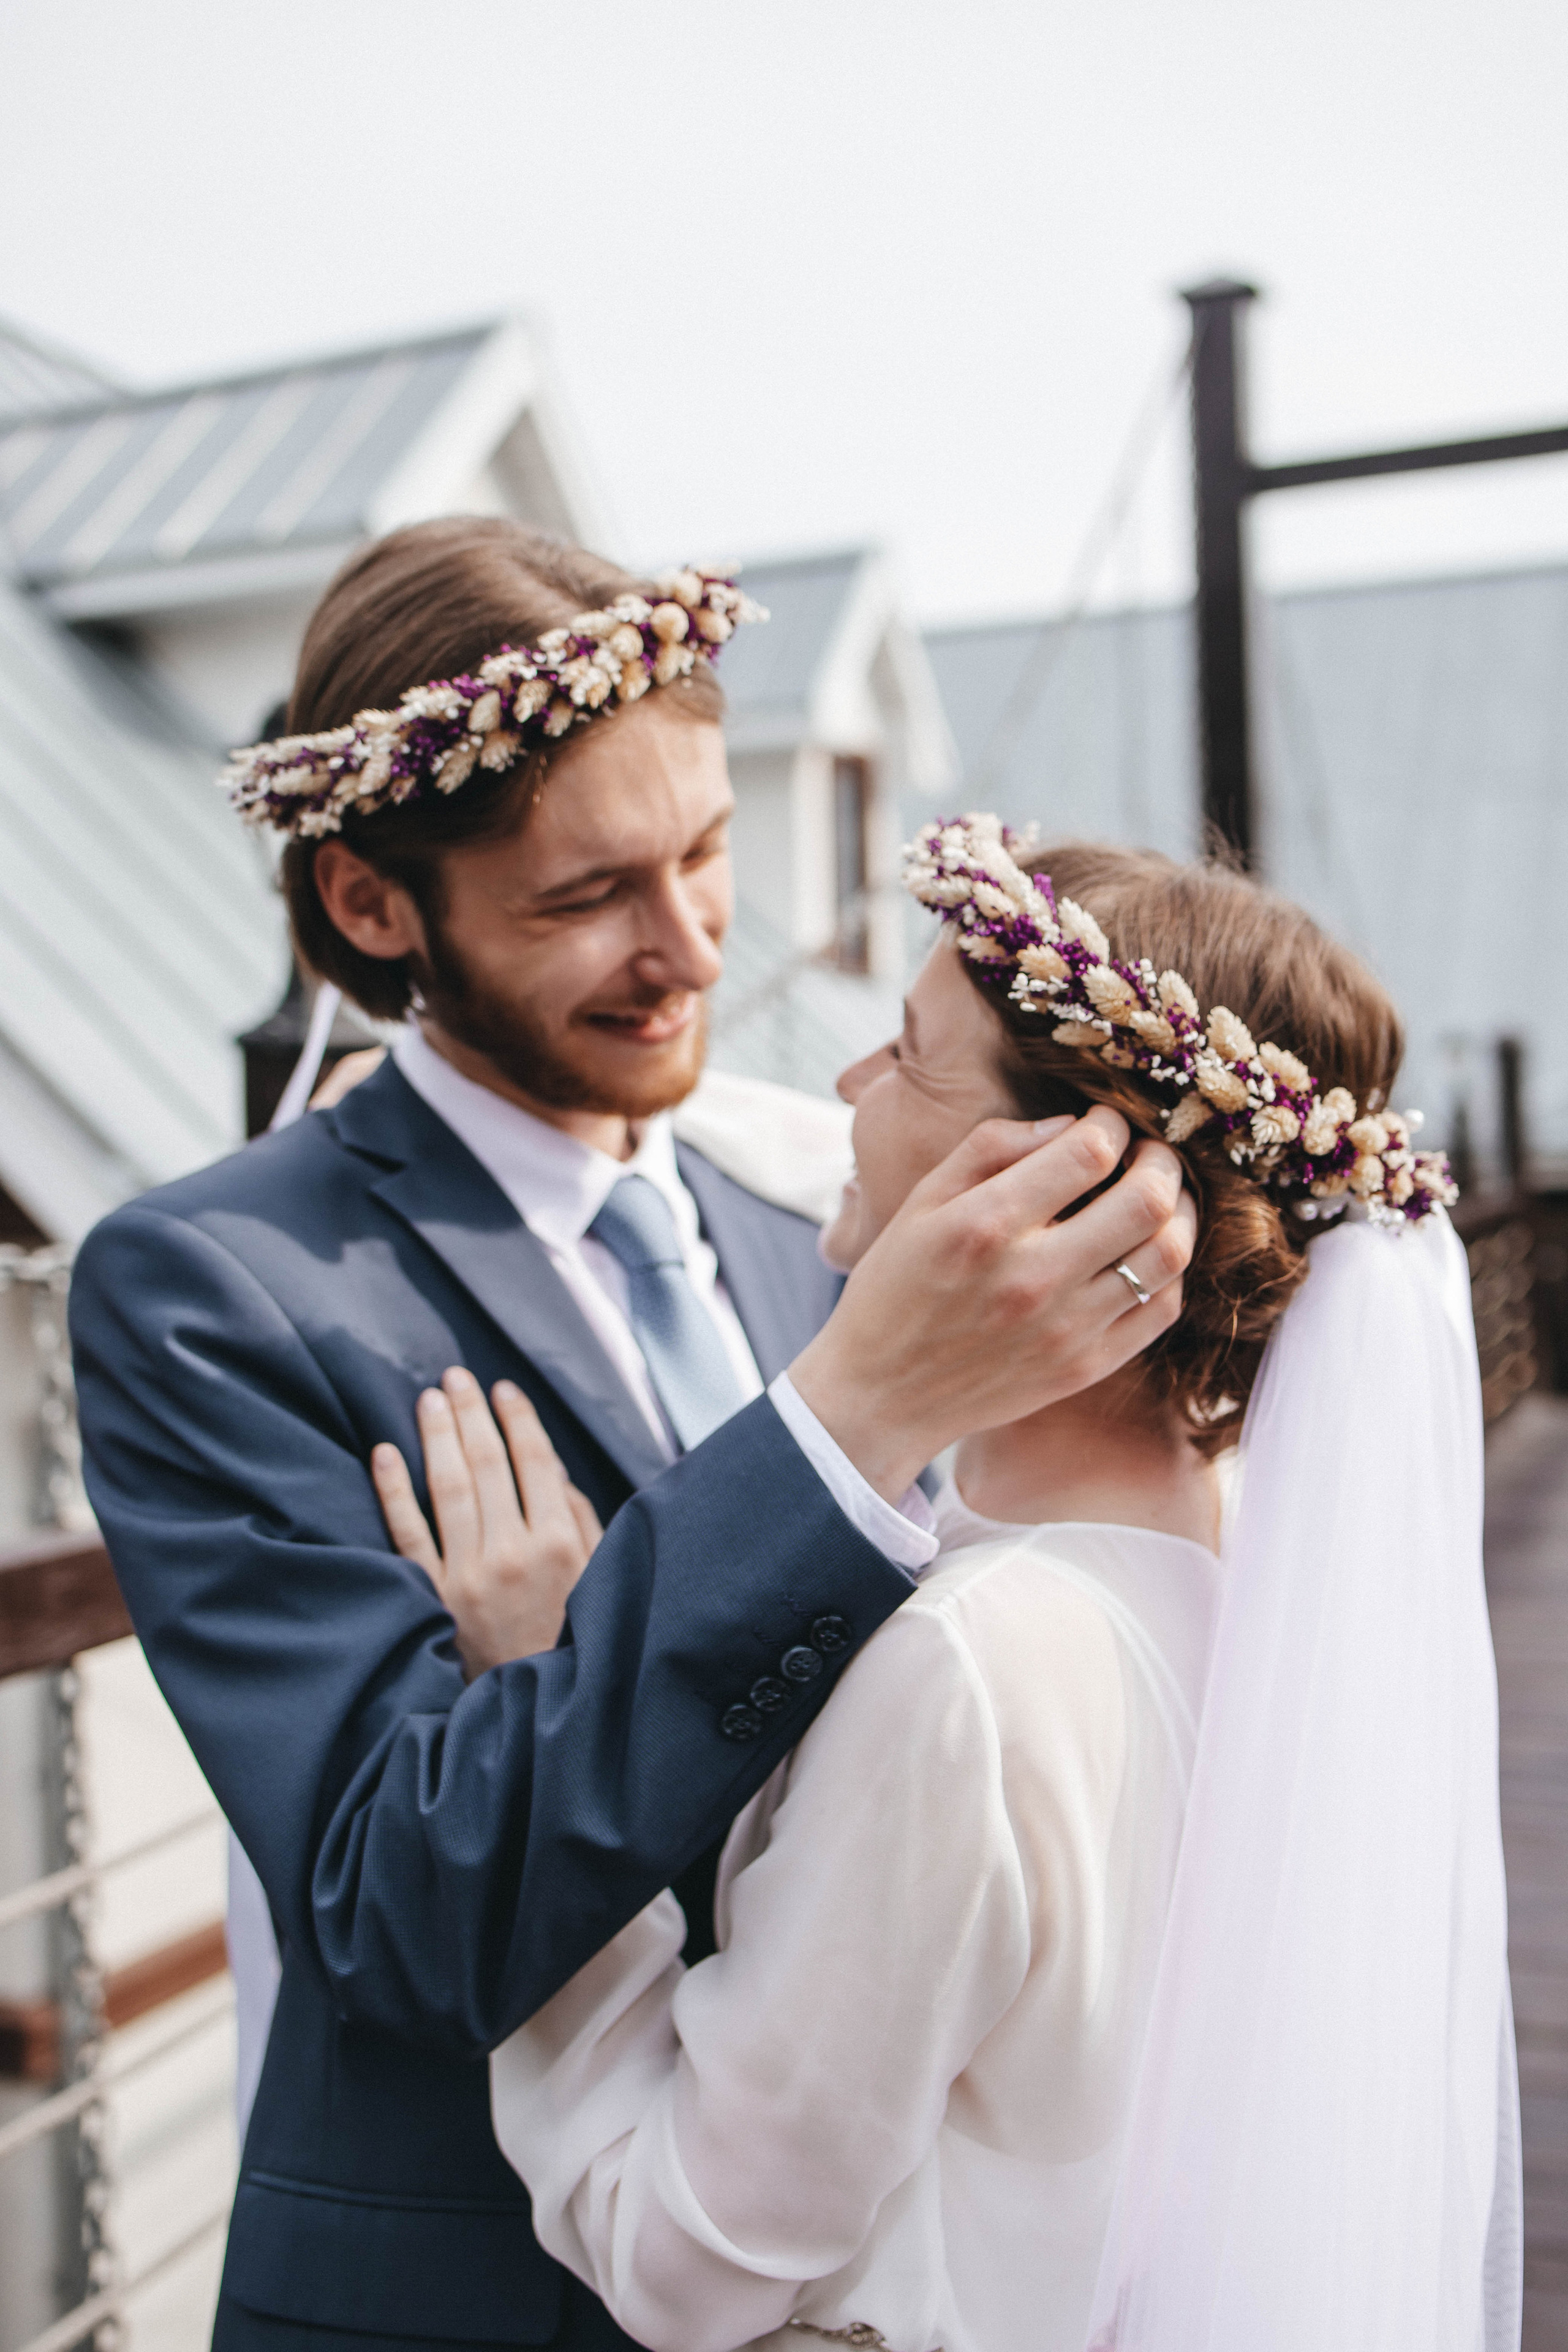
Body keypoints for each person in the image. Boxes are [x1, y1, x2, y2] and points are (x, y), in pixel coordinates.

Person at [67, 525, 1194, 2352]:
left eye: (705, 851)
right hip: (467, 2301)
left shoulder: (802, 1221)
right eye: (589, 893)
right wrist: (851, 1419)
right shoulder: (219, 1288)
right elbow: (401, 1913)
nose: (686, 950)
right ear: (371, 906)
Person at [385, 820, 1520, 2351]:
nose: (846, 1088)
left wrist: (537, 1694)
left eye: (906, 1060)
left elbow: (686, 2262)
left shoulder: (974, 1671)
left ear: (1059, 1190)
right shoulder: (1270, 1583)